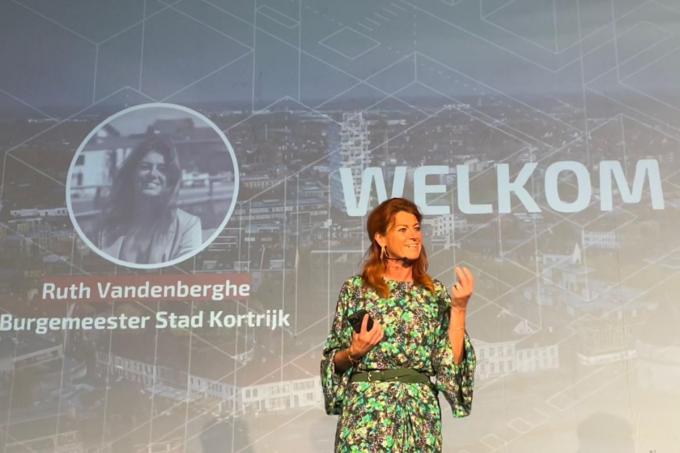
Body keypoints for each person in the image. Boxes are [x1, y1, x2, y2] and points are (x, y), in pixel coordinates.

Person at [320, 197, 476, 452]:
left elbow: (450, 366)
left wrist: (459, 308)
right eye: (403, 229)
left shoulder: (434, 293)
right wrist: (353, 353)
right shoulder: (356, 290)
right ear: (381, 239)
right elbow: (332, 361)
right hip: (366, 416)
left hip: (418, 417)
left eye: (417, 228)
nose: (414, 236)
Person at [93, 135, 202, 265]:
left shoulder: (188, 226)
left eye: (162, 169)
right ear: (132, 173)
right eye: (145, 167)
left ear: (171, 179)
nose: (153, 174)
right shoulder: (107, 225)